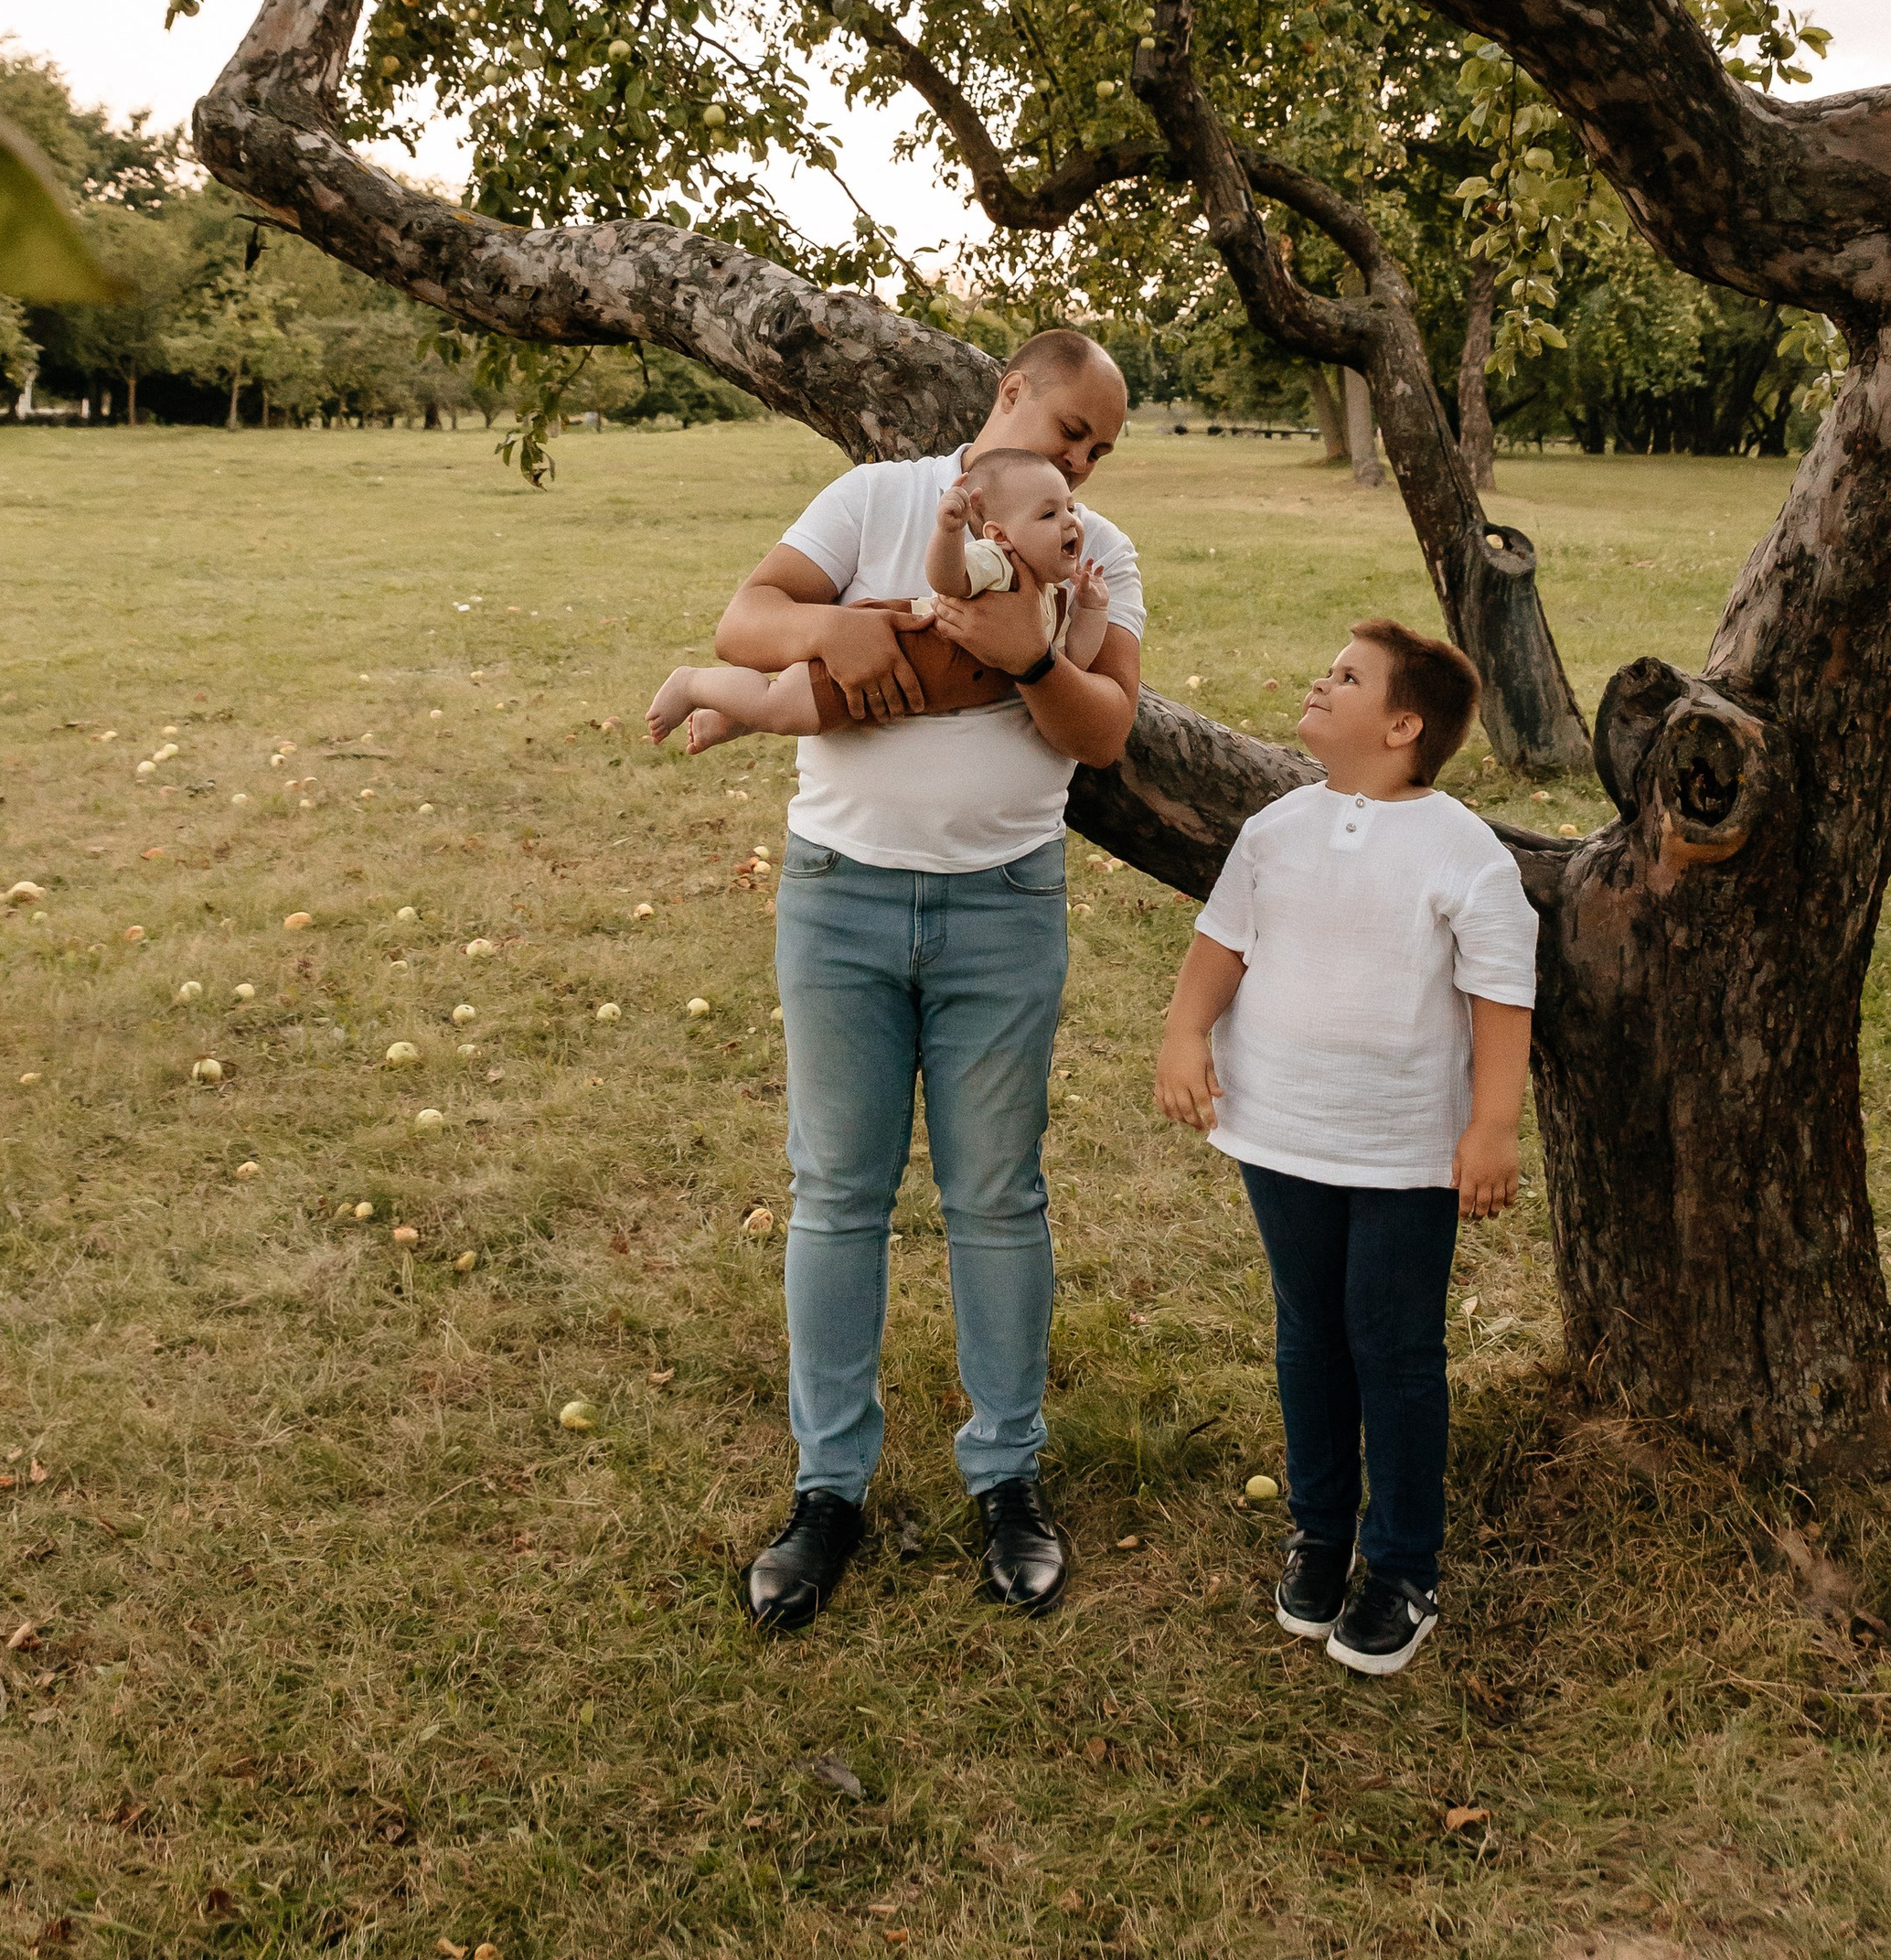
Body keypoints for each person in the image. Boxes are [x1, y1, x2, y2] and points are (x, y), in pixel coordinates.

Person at [716, 329, 1142, 1633]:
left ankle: (1005, 1476)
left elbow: (1106, 732)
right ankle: (828, 1486)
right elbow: (745, 619)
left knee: (996, 1198)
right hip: (842, 896)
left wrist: (1027, 658)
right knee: (838, 1193)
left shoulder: (1094, 551)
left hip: (1003, 908)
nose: (1080, 463)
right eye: (1071, 429)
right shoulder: (878, 495)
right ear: (1012, 392)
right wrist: (835, 627)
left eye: (1098, 453)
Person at [1153, 619, 1535, 1676]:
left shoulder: (1463, 849)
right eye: (1328, 668)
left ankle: (1404, 1562)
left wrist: (1491, 1127)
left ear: (1403, 725)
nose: (1321, 683)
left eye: (1348, 677)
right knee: (1307, 1332)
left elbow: (1502, 993)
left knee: (1395, 1346)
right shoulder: (1275, 828)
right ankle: (1321, 1530)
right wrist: (1186, 1033)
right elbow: (1221, 944)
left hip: (1405, 1150)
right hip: (1282, 1130)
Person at [644, 450, 1113, 753]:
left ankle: (732, 719)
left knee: (795, 706)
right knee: (779, 704)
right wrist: (949, 532)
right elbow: (947, 578)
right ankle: (693, 684)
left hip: (898, 688)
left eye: (1070, 507)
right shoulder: (999, 563)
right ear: (1000, 534)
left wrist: (1091, 610)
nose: (1070, 522)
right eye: (1049, 514)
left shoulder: (1053, 599)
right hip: (887, 650)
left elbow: (1070, 662)